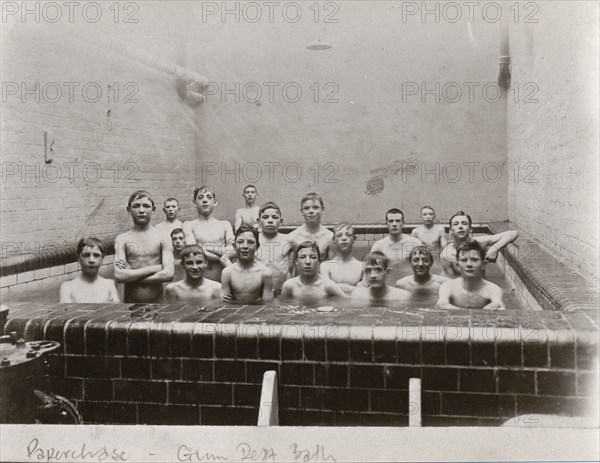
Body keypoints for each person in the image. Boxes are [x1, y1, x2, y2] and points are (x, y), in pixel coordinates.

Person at [114, 190, 174, 303]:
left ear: (153, 209)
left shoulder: (163, 237)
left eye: (146, 206)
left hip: (158, 304)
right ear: (129, 210)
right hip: (131, 305)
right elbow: (119, 276)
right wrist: (155, 268)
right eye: (136, 206)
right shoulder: (121, 239)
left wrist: (131, 275)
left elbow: (168, 274)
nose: (141, 210)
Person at [441, 211, 519, 277]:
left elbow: (513, 233)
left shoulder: (480, 243)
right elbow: (450, 281)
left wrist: (494, 248)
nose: (460, 226)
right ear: (450, 231)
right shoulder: (446, 255)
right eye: (456, 224)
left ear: (470, 229)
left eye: (464, 223)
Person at [182, 186, 235, 282]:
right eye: (200, 197)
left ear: (215, 202)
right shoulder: (188, 225)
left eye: (209, 197)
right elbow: (193, 253)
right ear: (194, 203)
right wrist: (222, 255)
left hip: (222, 280)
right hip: (199, 281)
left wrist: (205, 248)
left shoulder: (225, 225)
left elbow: (234, 251)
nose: (205, 200)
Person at [437, 240, 505, 310]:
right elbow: (440, 307)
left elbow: (501, 310)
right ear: (457, 265)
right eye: (464, 260)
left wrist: (453, 309)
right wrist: (483, 311)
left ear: (484, 264)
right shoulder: (447, 286)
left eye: (474, 260)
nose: (469, 264)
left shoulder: (493, 289)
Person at [221, 225, 273, 304]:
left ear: (257, 247)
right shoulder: (227, 273)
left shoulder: (265, 273)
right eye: (240, 242)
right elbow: (224, 304)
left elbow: (267, 305)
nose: (245, 246)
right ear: (234, 246)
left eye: (250, 242)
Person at [280, 241, 346, 303]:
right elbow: (283, 309)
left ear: (318, 262)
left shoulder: (328, 286)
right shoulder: (289, 286)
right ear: (297, 262)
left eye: (312, 257)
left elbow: (348, 304)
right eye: (303, 257)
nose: (308, 261)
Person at [60, 237, 120, 303]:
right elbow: (66, 312)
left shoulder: (109, 284)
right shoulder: (68, 287)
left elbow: (115, 310)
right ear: (78, 258)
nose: (91, 260)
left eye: (96, 255)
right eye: (86, 255)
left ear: (102, 259)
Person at [256, 202, 294, 295]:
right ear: (258, 221)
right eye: (265, 217)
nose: (270, 220)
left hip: (281, 291)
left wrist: (287, 287)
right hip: (257, 292)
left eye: (274, 217)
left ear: (281, 221)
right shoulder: (253, 240)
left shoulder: (288, 240)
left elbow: (291, 270)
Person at [287, 192, 334, 262]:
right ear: (301, 211)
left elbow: (332, 267)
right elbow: (290, 269)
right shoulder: (292, 237)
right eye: (306, 208)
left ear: (322, 209)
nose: (311, 211)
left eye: (315, 207)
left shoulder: (329, 237)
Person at [320, 222, 363, 294]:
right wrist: (353, 288)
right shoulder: (326, 266)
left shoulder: (361, 266)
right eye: (339, 235)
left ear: (354, 239)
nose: (344, 238)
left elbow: (365, 293)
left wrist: (336, 287)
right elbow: (326, 290)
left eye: (348, 235)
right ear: (333, 240)